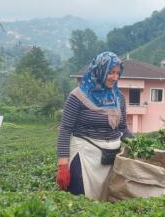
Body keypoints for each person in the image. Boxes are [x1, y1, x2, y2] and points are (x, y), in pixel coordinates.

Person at [56, 51, 132, 201]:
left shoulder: (118, 98)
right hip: (86, 158)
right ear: (99, 70)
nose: (115, 77)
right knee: (82, 203)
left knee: (107, 205)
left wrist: (138, 145)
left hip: (112, 160)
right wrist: (62, 166)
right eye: (111, 72)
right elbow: (65, 129)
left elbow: (122, 128)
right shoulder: (77, 96)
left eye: (118, 73)